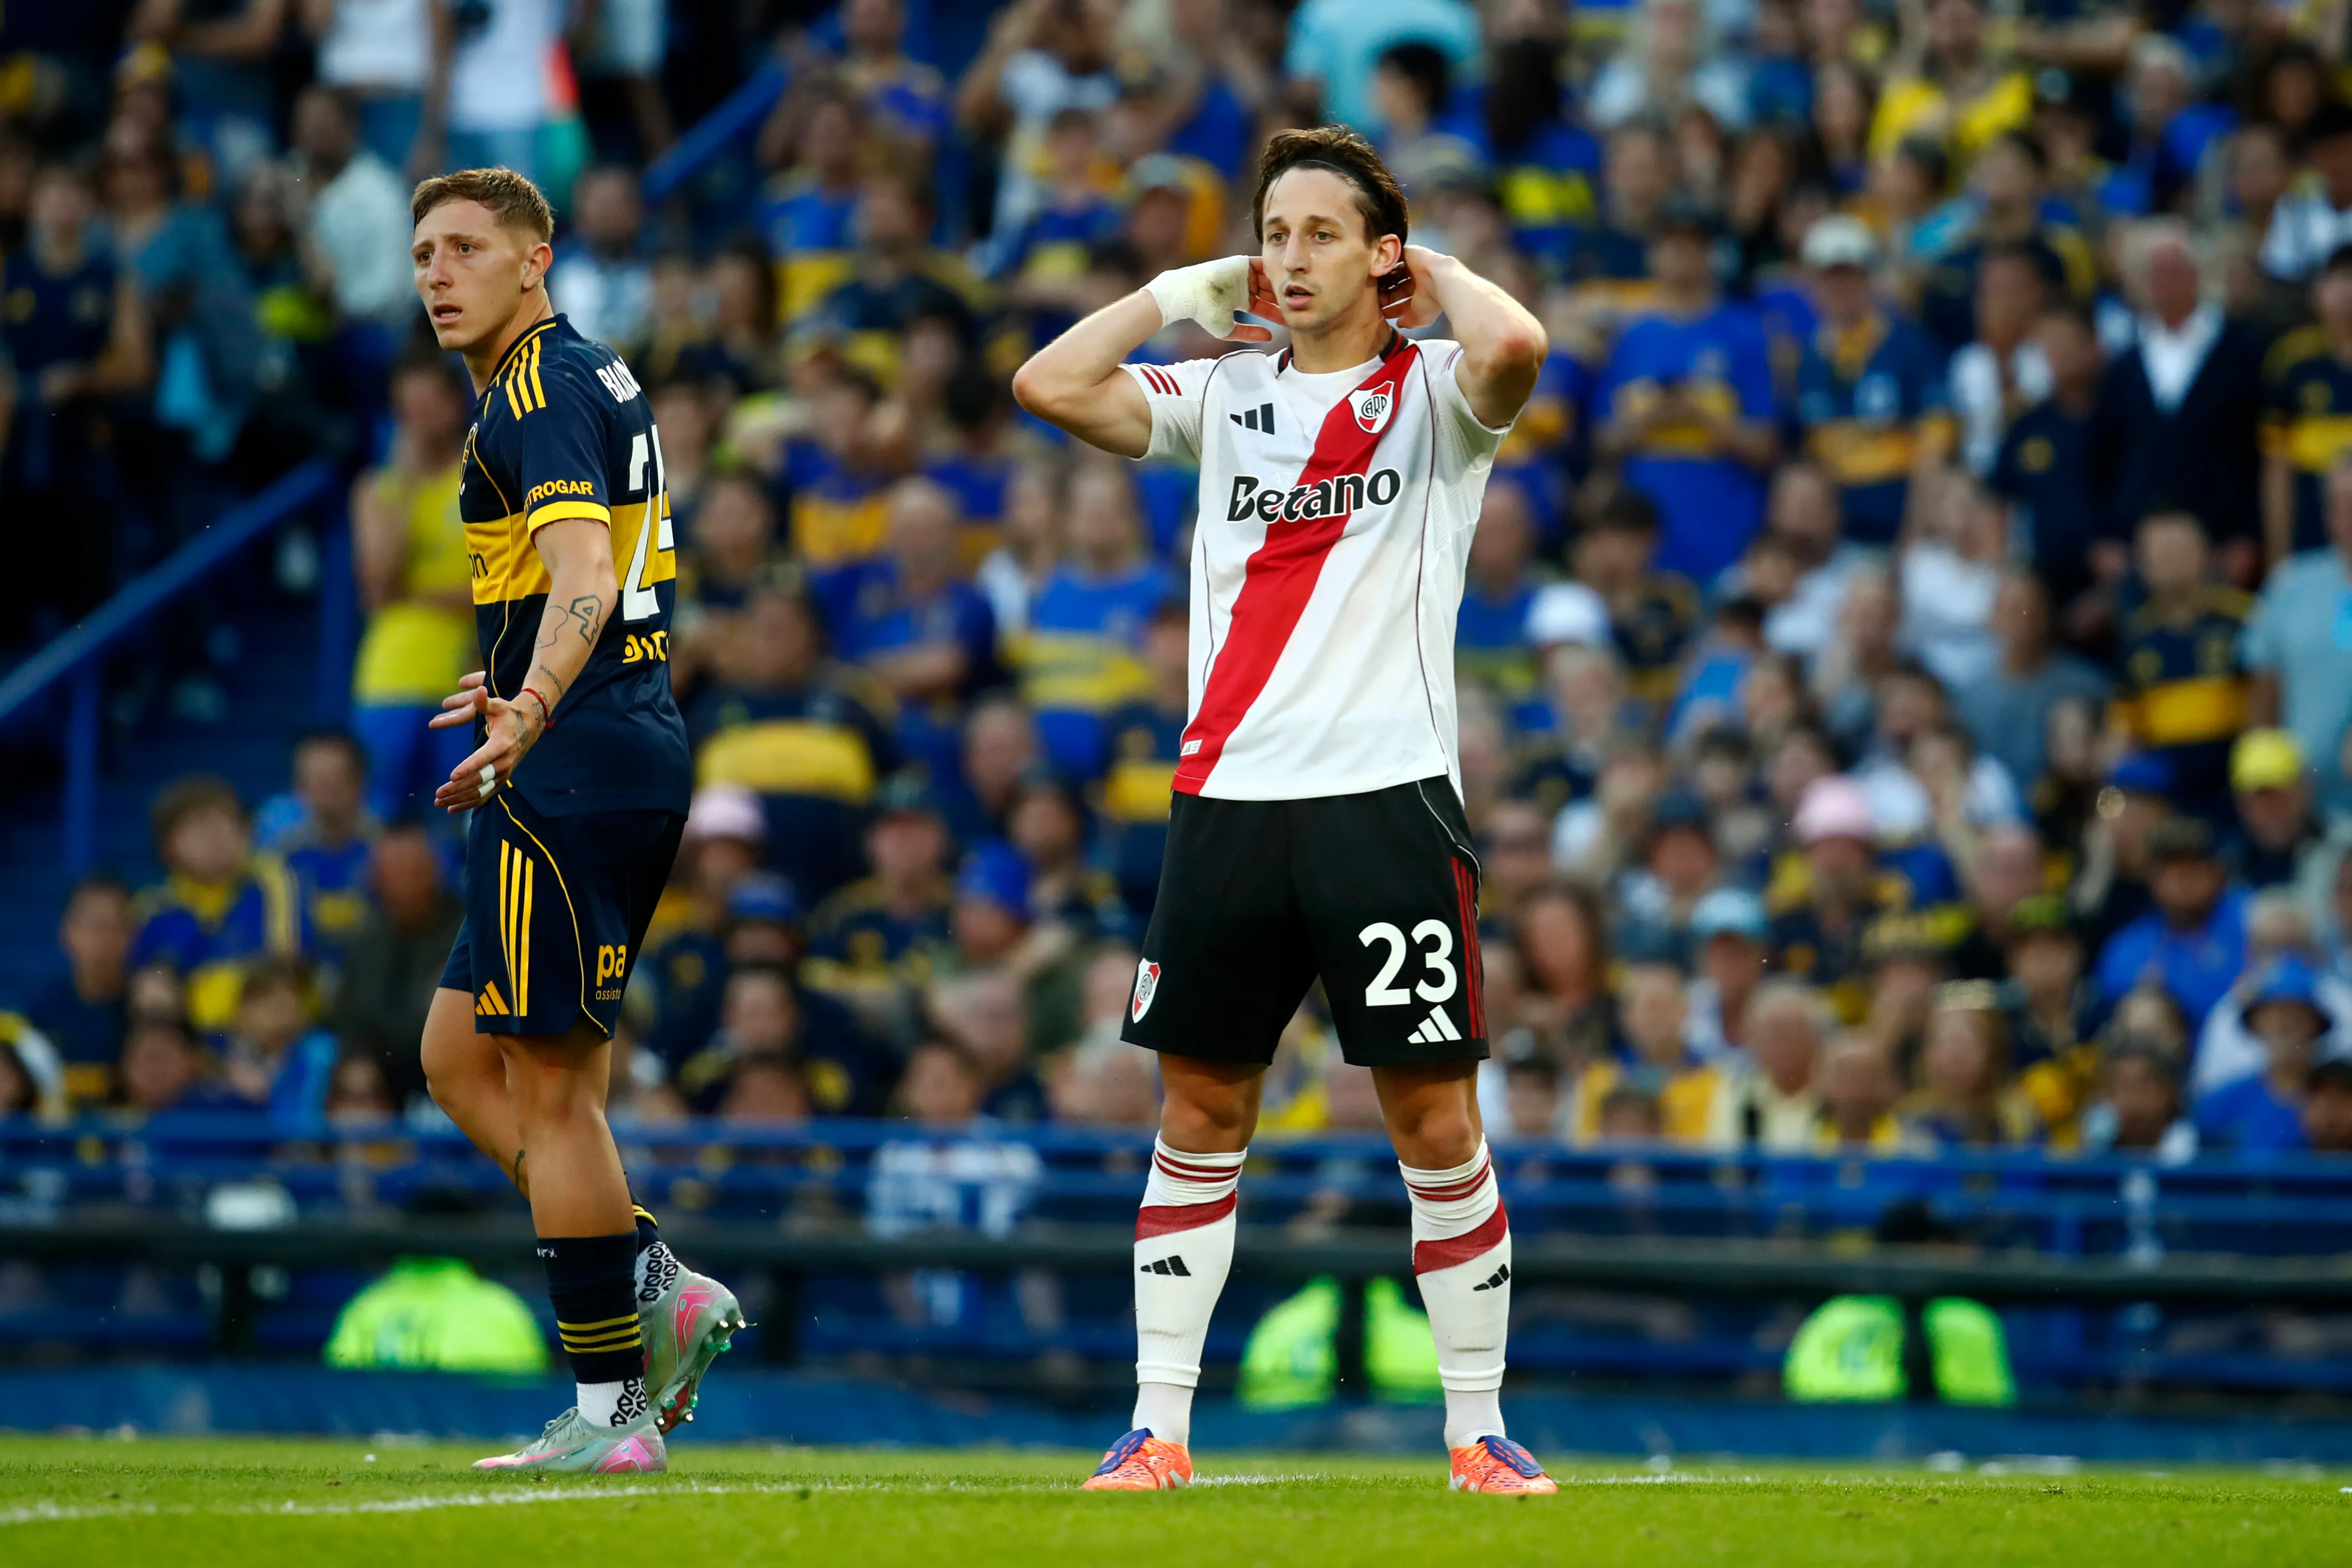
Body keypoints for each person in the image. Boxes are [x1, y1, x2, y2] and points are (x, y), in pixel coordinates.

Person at [1013, 125, 1556, 1494]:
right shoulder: (1224, 389)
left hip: (1386, 800)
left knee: (1433, 1117)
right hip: (1229, 801)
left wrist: (1421, 262)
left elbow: (1521, 347)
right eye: (1273, 232)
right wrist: (1182, 291)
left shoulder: (1434, 386)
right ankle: (1157, 1426)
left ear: (1380, 256)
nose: (1287, 257)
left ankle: (1477, 1425)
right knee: (1200, 1105)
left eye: (1320, 232)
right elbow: (1045, 382)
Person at [404, 167, 739, 1475]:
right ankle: (653, 1270)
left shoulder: (536, 389)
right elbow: (605, 581)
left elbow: (588, 574)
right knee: (452, 1053)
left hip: (573, 761)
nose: (438, 272)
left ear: (534, 261)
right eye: (425, 250)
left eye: (468, 248)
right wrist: (525, 679)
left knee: (556, 1088)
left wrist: (529, 704)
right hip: (604, 735)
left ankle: (610, 1417)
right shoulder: (580, 377)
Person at [1593, 193, 1780, 581]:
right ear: (1654, 255)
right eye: (1671, 245)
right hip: (1644, 543)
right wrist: (1653, 420)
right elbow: (1604, 440)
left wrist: (1701, 418)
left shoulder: (1745, 333)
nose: (1681, 256)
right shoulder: (1633, 336)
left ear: (1710, 254)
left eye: (1693, 246)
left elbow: (1767, 446)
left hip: (1726, 533)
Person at [2244, 457, 2352, 819]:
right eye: (2342, 504)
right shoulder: (2291, 584)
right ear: (2328, 515)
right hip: (2303, 812)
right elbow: (2263, 693)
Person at [2194, 955, 2333, 1152]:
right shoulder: (2219, 1104)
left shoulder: (2340, 1102)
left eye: (2296, 1012)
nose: (2285, 1023)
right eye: (2274, 1012)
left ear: (2316, 1024)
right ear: (2255, 1023)